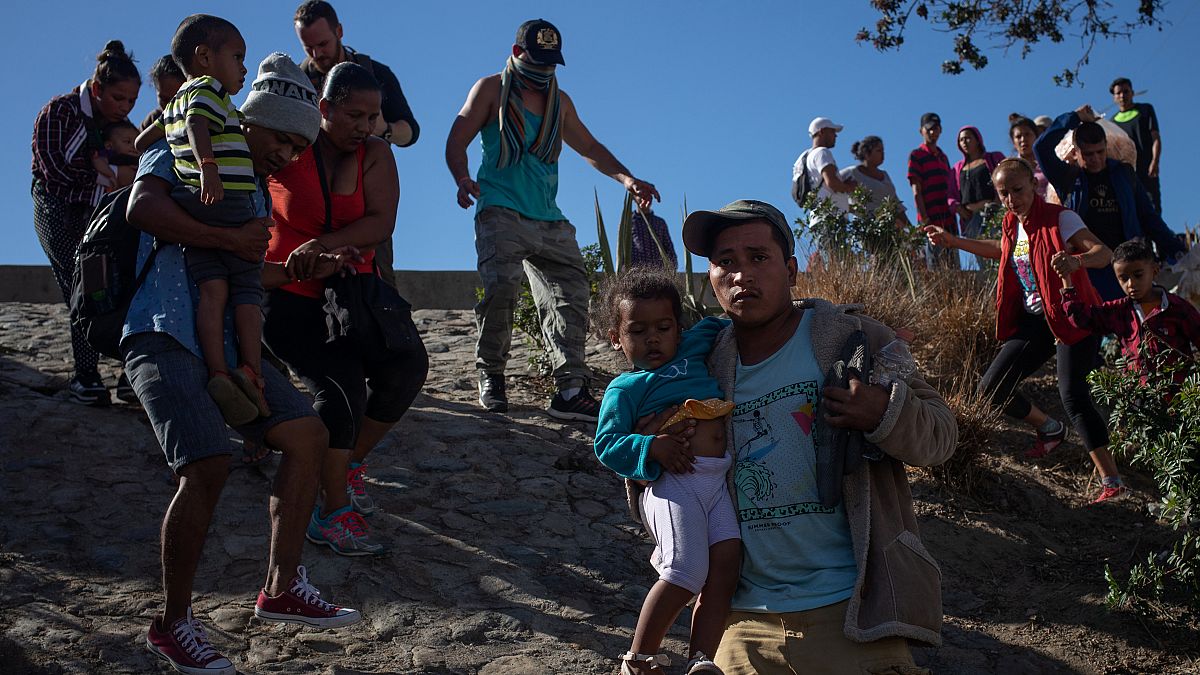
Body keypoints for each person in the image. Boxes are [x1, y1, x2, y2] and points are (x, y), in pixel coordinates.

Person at [124, 51, 360, 675]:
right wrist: (230, 240)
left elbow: (241, 278)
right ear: (250, 122)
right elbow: (142, 209)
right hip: (159, 333)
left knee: (308, 435)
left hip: (228, 347)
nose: (286, 156)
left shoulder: (253, 184)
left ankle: (281, 589)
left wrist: (296, 269)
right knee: (207, 463)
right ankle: (172, 625)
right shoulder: (183, 145)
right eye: (280, 139)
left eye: (296, 148)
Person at [674, 199, 956, 673]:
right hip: (740, 622)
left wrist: (883, 410)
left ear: (791, 271)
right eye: (725, 262)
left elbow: (941, 437)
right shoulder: (696, 368)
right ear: (710, 280)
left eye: (758, 258)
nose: (741, 275)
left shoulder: (854, 339)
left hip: (855, 610)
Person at [445, 18, 659, 420]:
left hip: (548, 217)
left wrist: (627, 178)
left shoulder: (560, 102)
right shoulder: (490, 89)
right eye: (536, 60)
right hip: (501, 209)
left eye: (550, 63)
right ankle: (490, 373)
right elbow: (457, 137)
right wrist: (462, 177)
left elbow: (588, 145)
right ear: (516, 54)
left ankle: (570, 390)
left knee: (571, 293)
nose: (543, 70)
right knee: (501, 289)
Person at [264, 62, 428, 556]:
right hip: (290, 297)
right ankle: (331, 512)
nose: (365, 125)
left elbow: (380, 221)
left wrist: (326, 246)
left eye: (373, 115)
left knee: (407, 367)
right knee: (340, 394)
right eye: (354, 115)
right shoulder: (291, 147)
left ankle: (348, 462)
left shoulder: (376, 154)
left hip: (356, 295)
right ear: (324, 109)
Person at [924, 158, 1129, 503]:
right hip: (1036, 320)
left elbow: (1103, 252)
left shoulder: (1061, 218)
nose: (1011, 199)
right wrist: (954, 242)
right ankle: (1050, 429)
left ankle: (1112, 480)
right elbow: (1000, 249)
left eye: (1017, 190)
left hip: (1072, 314)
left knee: (1073, 395)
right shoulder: (1010, 224)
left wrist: (1077, 260)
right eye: (1003, 193)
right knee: (990, 387)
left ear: (1033, 186)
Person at [592, 267, 739, 675]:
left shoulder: (693, 347)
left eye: (663, 327)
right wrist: (651, 446)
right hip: (674, 487)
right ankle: (638, 660)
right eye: (637, 330)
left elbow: (730, 320)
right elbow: (606, 444)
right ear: (615, 338)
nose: (653, 338)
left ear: (679, 328)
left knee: (726, 567)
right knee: (685, 570)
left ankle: (700, 659)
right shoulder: (625, 388)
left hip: (715, 483)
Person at [133, 15, 273, 426]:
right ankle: (252, 370)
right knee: (247, 290)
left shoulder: (173, 102)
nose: (244, 68)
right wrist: (208, 163)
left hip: (193, 207)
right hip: (228, 201)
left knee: (213, 292)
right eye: (238, 57)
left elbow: (145, 140)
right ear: (205, 57)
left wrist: (141, 148)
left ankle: (216, 372)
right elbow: (196, 124)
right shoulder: (207, 90)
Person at [31, 40, 139, 405]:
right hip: (56, 211)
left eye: (130, 102)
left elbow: (132, 172)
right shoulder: (59, 114)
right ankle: (86, 374)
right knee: (77, 284)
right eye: (118, 98)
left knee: (116, 283)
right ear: (97, 90)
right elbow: (55, 175)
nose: (124, 108)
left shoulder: (121, 128)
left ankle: (131, 373)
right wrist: (101, 178)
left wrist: (113, 176)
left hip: (104, 218)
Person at [294, 0, 421, 289]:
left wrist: (382, 129)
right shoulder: (297, 80)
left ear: (339, 30)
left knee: (379, 277)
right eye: (308, 48)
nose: (317, 54)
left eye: (323, 44)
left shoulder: (375, 73)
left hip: (366, 194)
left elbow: (411, 132)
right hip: (310, 195)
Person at [1035, 104, 1185, 301]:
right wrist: (1074, 117)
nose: (1096, 159)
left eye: (1100, 152)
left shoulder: (1124, 174)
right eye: (1089, 154)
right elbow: (1040, 147)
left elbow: (1149, 217)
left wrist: (1178, 251)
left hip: (1128, 264)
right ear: (1076, 152)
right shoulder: (1068, 178)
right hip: (1090, 268)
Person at [1060, 238, 1200, 384]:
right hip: (1138, 397)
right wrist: (1066, 280)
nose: (1131, 284)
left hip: (1178, 396)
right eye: (1123, 278)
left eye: (1138, 275)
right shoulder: (1119, 312)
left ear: (1155, 271)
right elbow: (1082, 318)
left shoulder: (1177, 308)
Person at [948, 126, 1005, 267]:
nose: (965, 142)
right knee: (981, 257)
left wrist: (997, 202)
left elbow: (1005, 177)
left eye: (968, 138)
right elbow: (951, 195)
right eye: (961, 140)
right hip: (970, 219)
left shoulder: (993, 158)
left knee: (999, 251)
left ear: (978, 139)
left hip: (992, 214)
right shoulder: (957, 168)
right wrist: (958, 209)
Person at [907, 112, 957, 269]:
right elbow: (916, 190)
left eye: (935, 128)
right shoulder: (917, 155)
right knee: (935, 268)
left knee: (953, 267)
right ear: (921, 131)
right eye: (928, 129)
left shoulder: (943, 157)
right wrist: (925, 219)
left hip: (948, 220)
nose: (932, 132)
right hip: (931, 220)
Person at [1110, 77, 1163, 213]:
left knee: (1153, 206)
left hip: (1147, 169)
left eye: (1126, 91)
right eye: (1119, 93)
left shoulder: (1145, 110)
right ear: (1114, 98)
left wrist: (1155, 161)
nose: (1122, 96)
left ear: (1132, 93)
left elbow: (1155, 138)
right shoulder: (1112, 123)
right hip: (1128, 173)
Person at [840, 135, 909, 226]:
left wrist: (912, 231)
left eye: (883, 150)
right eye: (878, 151)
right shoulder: (852, 173)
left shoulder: (885, 175)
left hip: (889, 230)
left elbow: (896, 205)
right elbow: (830, 185)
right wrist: (850, 207)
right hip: (866, 229)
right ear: (866, 153)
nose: (883, 154)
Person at [792, 117, 856, 214]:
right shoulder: (822, 152)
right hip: (831, 217)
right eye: (832, 131)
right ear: (821, 131)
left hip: (817, 214)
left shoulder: (803, 158)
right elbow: (832, 183)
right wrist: (849, 187)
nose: (835, 136)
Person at [141, 54, 185, 130]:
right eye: (164, 99)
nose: (171, 106)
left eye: (178, 99)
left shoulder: (201, 114)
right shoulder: (152, 120)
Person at [1009, 116, 1049, 198]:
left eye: (1027, 134)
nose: (1023, 139)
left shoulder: (1049, 161)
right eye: (1018, 137)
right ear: (1013, 142)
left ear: (1036, 137)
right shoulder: (1010, 169)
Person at [95, 120, 139, 190]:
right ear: (109, 146)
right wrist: (111, 174)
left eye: (137, 143)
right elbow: (97, 161)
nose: (134, 146)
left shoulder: (141, 161)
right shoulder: (108, 156)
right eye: (127, 142)